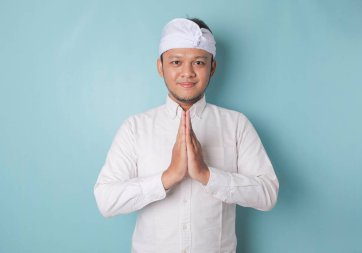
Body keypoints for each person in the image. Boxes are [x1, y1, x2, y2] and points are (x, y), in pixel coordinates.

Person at [94, 17, 279, 253]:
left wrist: (207, 175)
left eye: (199, 62)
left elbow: (267, 193)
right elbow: (106, 200)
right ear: (160, 66)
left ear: (212, 67)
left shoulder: (236, 125)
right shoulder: (135, 128)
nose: (187, 73)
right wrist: (167, 177)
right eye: (176, 62)